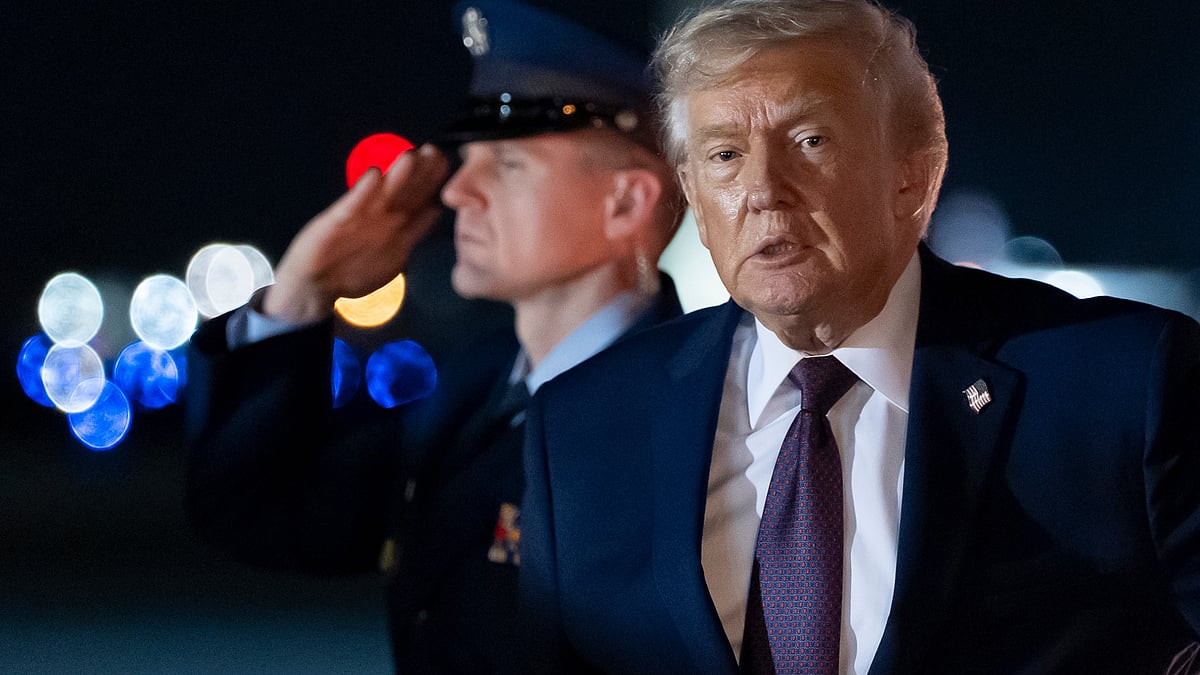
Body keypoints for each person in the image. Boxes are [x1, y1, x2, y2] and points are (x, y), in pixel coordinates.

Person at [519, 0, 1200, 673]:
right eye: (724, 154)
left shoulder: (1123, 389)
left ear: (914, 173)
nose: (762, 189)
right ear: (693, 196)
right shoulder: (582, 430)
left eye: (810, 140)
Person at [184, 1, 684, 672]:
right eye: (468, 158)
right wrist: (302, 294)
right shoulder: (470, 388)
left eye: (507, 165)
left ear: (626, 203)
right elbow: (252, 512)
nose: (456, 191)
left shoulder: (691, 415)